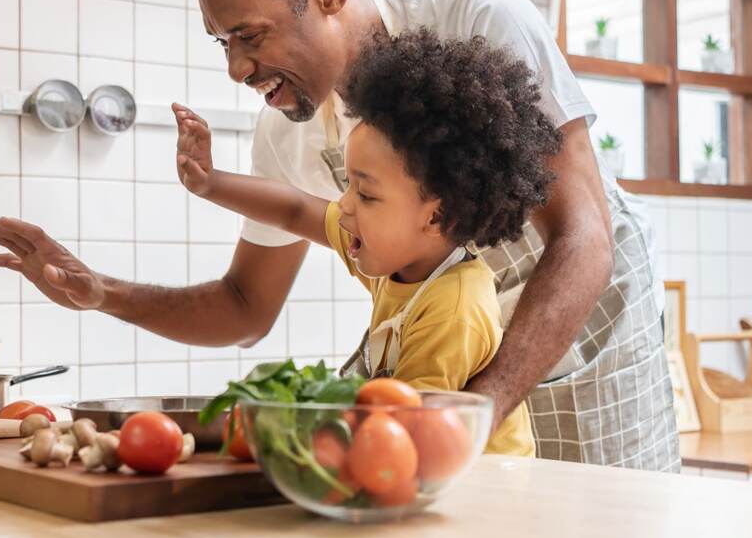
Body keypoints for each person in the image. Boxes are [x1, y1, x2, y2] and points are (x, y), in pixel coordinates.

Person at [0, 0, 679, 471]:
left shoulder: (477, 19)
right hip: (452, 373)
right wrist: (100, 292)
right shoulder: (287, 127)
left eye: (250, 35)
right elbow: (246, 305)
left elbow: (584, 236)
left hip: (586, 337)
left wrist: (485, 406)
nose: (237, 70)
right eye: (223, 44)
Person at [174, 30, 563, 456]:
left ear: (434, 216)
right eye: (349, 185)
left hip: (486, 496)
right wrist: (210, 183)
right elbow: (295, 211)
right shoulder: (399, 254)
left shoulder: (454, 308)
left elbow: (408, 436)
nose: (343, 205)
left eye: (366, 194)